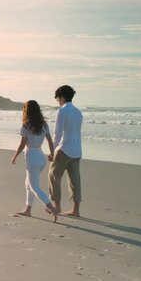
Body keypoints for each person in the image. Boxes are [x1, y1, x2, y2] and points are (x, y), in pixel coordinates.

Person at [11, 100, 58, 222]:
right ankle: (28, 210)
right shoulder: (44, 124)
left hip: (32, 157)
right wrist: (52, 155)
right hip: (41, 157)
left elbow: (22, 144)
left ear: (26, 111)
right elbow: (50, 142)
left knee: (34, 186)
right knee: (28, 184)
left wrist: (15, 156)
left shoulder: (26, 125)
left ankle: (51, 207)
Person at [48, 85, 83, 217]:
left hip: (64, 149)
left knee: (53, 176)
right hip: (77, 150)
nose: (57, 101)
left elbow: (57, 134)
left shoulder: (62, 111)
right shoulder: (78, 112)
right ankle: (76, 210)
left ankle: (57, 207)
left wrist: (52, 151)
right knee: (75, 181)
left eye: (57, 99)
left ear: (61, 97)